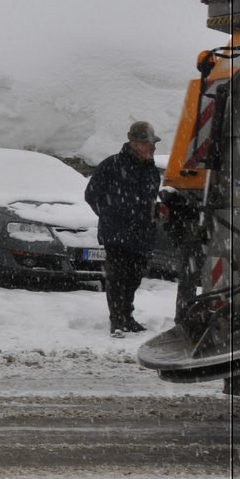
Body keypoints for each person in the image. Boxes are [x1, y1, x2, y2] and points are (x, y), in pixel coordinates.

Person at [85, 121, 163, 338]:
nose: (153, 148)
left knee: (134, 277)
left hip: (142, 234)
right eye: (149, 143)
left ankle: (127, 317)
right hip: (116, 234)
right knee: (117, 278)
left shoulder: (152, 171)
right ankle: (117, 320)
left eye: (153, 144)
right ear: (135, 143)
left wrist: (154, 215)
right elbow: (91, 194)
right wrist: (110, 214)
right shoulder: (111, 165)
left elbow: (150, 202)